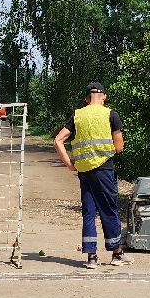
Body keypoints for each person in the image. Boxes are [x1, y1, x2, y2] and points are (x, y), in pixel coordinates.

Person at [54, 82, 132, 270]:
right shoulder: (110, 114)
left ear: (86, 98)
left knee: (89, 212)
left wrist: (70, 164)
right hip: (104, 169)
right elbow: (119, 147)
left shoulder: (77, 115)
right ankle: (116, 254)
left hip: (84, 171)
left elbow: (57, 140)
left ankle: (91, 257)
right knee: (109, 210)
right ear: (104, 96)